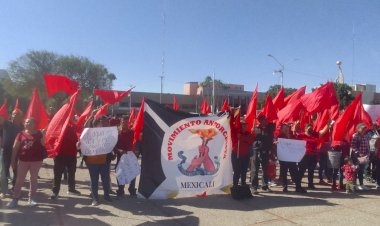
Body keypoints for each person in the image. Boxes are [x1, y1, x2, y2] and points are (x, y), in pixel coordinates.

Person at [7, 118, 45, 208]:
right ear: (24, 123)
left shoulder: (39, 134)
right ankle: (15, 198)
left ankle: (31, 198)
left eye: (30, 122)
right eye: (26, 122)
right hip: (23, 161)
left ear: (34, 124)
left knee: (33, 179)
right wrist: (13, 160)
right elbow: (15, 148)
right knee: (19, 180)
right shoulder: (20, 134)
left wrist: (44, 135)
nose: (28, 123)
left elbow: (43, 145)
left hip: (36, 161)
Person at [79, 115, 113, 206]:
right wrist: (79, 145)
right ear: (95, 125)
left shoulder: (108, 134)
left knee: (105, 179)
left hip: (105, 160)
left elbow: (112, 143)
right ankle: (95, 198)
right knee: (94, 180)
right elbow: (82, 142)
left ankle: (106, 196)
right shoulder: (88, 134)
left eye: (105, 123)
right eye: (101, 124)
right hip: (92, 161)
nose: (104, 125)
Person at [50, 123, 81, 200]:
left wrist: (78, 145)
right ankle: (55, 192)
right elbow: (51, 140)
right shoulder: (58, 128)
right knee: (57, 174)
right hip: (60, 155)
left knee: (71, 173)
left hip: (72, 155)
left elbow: (78, 139)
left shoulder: (73, 128)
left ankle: (71, 189)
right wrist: (53, 151)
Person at [297, 122, 330, 189]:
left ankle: (310, 184)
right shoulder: (300, 136)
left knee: (311, 171)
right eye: (309, 128)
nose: (311, 129)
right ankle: (298, 184)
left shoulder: (315, 134)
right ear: (305, 129)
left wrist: (328, 124)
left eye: (311, 128)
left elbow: (323, 131)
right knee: (301, 170)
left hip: (313, 156)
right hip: (304, 156)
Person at [277, 124, 306, 193]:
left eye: (287, 128)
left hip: (291, 158)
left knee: (294, 172)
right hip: (283, 158)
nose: (286, 129)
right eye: (284, 128)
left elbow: (297, 144)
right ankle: (285, 187)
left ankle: (298, 187)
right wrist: (276, 143)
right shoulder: (280, 137)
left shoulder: (292, 136)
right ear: (281, 129)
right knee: (284, 173)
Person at [251, 116, 275, 194]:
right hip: (257, 150)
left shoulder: (269, 129)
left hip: (266, 151)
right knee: (255, 170)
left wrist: (271, 151)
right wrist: (253, 132)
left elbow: (271, 140)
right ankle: (254, 187)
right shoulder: (256, 129)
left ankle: (265, 186)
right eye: (263, 120)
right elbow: (252, 139)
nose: (264, 121)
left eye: (265, 120)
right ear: (260, 121)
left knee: (265, 169)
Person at [114, 116, 138, 197]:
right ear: (121, 123)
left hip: (131, 157)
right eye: (123, 122)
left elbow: (137, 143)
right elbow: (114, 146)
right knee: (119, 173)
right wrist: (119, 151)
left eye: (126, 122)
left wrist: (136, 151)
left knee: (133, 173)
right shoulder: (117, 133)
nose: (125, 124)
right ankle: (120, 189)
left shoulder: (132, 133)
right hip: (120, 157)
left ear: (129, 123)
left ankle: (132, 190)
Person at [2, 109, 23, 188]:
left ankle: (15, 187)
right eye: (13, 114)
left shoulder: (23, 126)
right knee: (4, 171)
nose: (14, 116)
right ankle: (4, 189)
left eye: (17, 114)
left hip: (18, 151)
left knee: (17, 171)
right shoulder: (6, 123)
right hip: (6, 151)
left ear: (21, 117)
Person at [231, 120, 254, 188]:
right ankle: (235, 185)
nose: (244, 126)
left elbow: (251, 140)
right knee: (237, 171)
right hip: (236, 154)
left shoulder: (248, 134)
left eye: (245, 125)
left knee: (244, 171)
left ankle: (243, 184)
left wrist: (241, 137)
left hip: (245, 155)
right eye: (243, 125)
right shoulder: (235, 133)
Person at [350, 123, 370, 191]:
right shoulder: (355, 136)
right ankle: (354, 185)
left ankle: (361, 184)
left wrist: (367, 153)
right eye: (362, 128)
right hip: (356, 157)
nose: (364, 129)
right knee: (355, 170)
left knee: (361, 171)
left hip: (364, 156)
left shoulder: (365, 136)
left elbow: (367, 145)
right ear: (358, 129)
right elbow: (353, 146)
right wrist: (358, 153)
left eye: (364, 128)